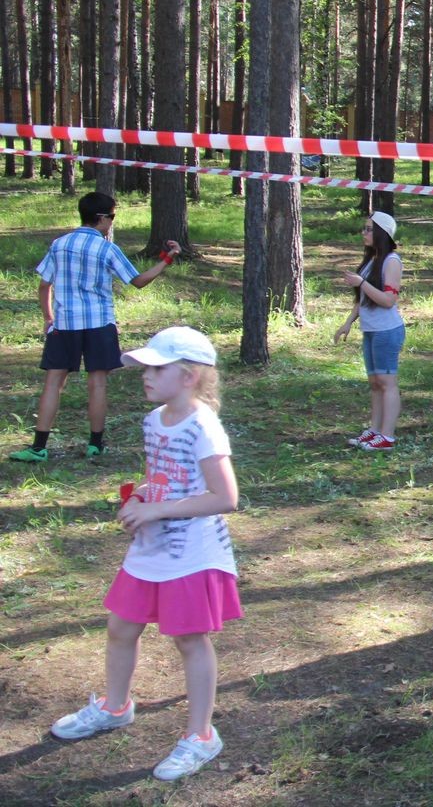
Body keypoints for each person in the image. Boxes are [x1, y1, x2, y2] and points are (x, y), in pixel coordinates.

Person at [50, 326, 240, 782]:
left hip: (192, 552)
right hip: (151, 546)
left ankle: (201, 735)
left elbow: (225, 497)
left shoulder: (204, 427)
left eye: (156, 368)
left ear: (189, 376)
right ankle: (115, 707)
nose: (145, 376)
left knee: (189, 639)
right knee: (121, 627)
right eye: (145, 368)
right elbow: (160, 475)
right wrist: (140, 496)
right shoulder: (154, 420)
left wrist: (158, 509)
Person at [9, 191, 180, 463]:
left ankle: (38, 447)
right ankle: (95, 444)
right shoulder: (107, 249)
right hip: (99, 323)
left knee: (53, 383)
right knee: (97, 383)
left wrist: (48, 317)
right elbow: (138, 281)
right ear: (101, 218)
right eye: (112, 216)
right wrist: (167, 259)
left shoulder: (59, 244)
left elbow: (44, 284)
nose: (112, 221)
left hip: (65, 324)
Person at [335, 211, 405, 452]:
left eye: (368, 229)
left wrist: (362, 283)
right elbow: (362, 300)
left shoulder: (392, 261)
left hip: (387, 331)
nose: (363, 233)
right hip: (371, 330)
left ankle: (387, 436)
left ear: (382, 233)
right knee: (375, 383)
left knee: (387, 382)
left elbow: (388, 300)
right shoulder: (372, 260)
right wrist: (348, 322)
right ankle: (374, 431)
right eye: (364, 228)